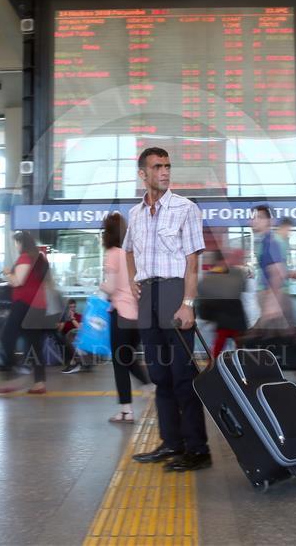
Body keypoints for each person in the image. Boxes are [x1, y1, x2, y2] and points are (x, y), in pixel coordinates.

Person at [125, 147, 211, 472]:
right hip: (148, 294)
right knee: (159, 376)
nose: (164, 172)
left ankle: (197, 449)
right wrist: (134, 278)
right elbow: (129, 250)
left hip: (175, 292)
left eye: (167, 166)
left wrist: (188, 303)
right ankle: (171, 442)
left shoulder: (185, 208)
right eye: (157, 167)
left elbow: (192, 262)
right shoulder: (134, 214)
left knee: (182, 375)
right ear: (143, 174)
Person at [252, 205, 296, 400]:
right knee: (283, 344)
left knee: (276, 344)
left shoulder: (270, 241)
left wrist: (272, 304)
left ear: (269, 221)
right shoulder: (266, 241)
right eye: (253, 217)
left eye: (257, 217)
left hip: (274, 298)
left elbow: (278, 271)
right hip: (274, 297)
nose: (253, 221)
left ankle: (266, 389)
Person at [99, 212, 150, 423]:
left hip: (120, 314)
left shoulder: (112, 253)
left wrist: (101, 287)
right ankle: (148, 384)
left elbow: (110, 286)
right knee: (129, 359)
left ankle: (126, 410)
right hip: (138, 316)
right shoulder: (132, 252)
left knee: (120, 363)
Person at [0, 231, 51, 395]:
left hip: (24, 305)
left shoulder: (25, 257)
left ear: (22, 243)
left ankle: (11, 376)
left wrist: (7, 272)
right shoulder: (40, 258)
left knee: (7, 337)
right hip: (38, 306)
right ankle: (39, 383)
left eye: (17, 243)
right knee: (35, 345)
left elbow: (18, 281)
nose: (16, 246)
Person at [197, 249, 249, 359]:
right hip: (233, 316)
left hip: (221, 317)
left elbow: (202, 293)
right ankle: (241, 364)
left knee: (220, 342)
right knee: (237, 343)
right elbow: (243, 288)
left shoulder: (209, 276)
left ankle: (214, 364)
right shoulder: (236, 273)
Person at [59, 299, 84, 374]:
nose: (72, 309)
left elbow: (80, 328)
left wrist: (72, 318)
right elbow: (59, 330)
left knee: (73, 335)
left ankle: (75, 363)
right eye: (70, 307)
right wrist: (65, 319)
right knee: (67, 338)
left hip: (76, 337)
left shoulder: (79, 316)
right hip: (66, 338)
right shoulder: (62, 317)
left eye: (74, 307)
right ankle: (74, 363)